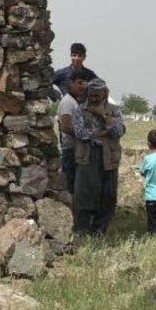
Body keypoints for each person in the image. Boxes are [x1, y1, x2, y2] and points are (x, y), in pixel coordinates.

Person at [72, 77, 125, 235]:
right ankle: (82, 228)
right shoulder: (81, 110)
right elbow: (80, 134)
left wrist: (105, 116)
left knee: (108, 193)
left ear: (105, 94)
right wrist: (103, 132)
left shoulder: (114, 110)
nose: (94, 98)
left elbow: (119, 131)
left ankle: (100, 228)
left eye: (98, 95)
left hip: (108, 156)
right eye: (92, 94)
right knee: (85, 192)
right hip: (88, 155)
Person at [57, 72, 88, 193]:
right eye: (79, 83)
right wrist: (86, 135)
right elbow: (66, 126)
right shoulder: (67, 102)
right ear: (71, 84)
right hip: (70, 151)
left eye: (84, 83)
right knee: (70, 186)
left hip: (76, 150)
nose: (82, 86)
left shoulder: (75, 101)